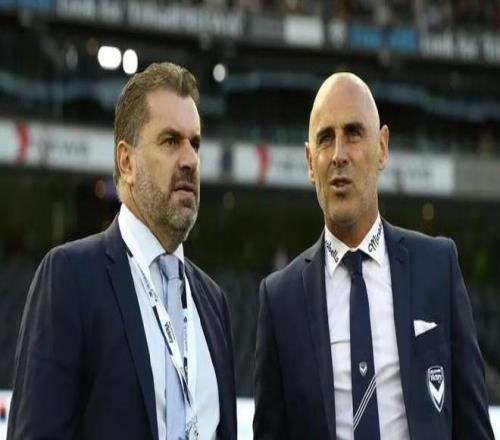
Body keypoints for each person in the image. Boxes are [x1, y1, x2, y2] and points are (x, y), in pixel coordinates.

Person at [253, 72, 494, 440]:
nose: (338, 155)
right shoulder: (279, 299)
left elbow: (474, 427)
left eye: (353, 133)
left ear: (382, 147)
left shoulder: (437, 267)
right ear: (310, 162)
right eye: (325, 138)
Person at [8, 62, 237, 440]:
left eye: (195, 143)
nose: (189, 160)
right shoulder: (70, 278)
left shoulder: (214, 303)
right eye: (170, 141)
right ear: (126, 162)